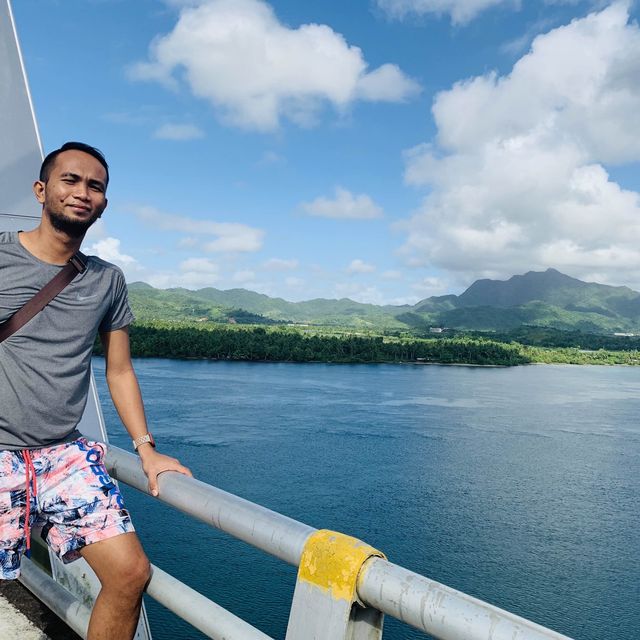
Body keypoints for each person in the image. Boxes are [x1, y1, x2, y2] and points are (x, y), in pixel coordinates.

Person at [0, 141, 192, 640]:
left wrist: (146, 450)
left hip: (62, 455)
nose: (82, 192)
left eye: (95, 186)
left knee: (130, 574)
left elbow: (120, 371)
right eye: (70, 180)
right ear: (42, 190)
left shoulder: (107, 280)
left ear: (103, 204)